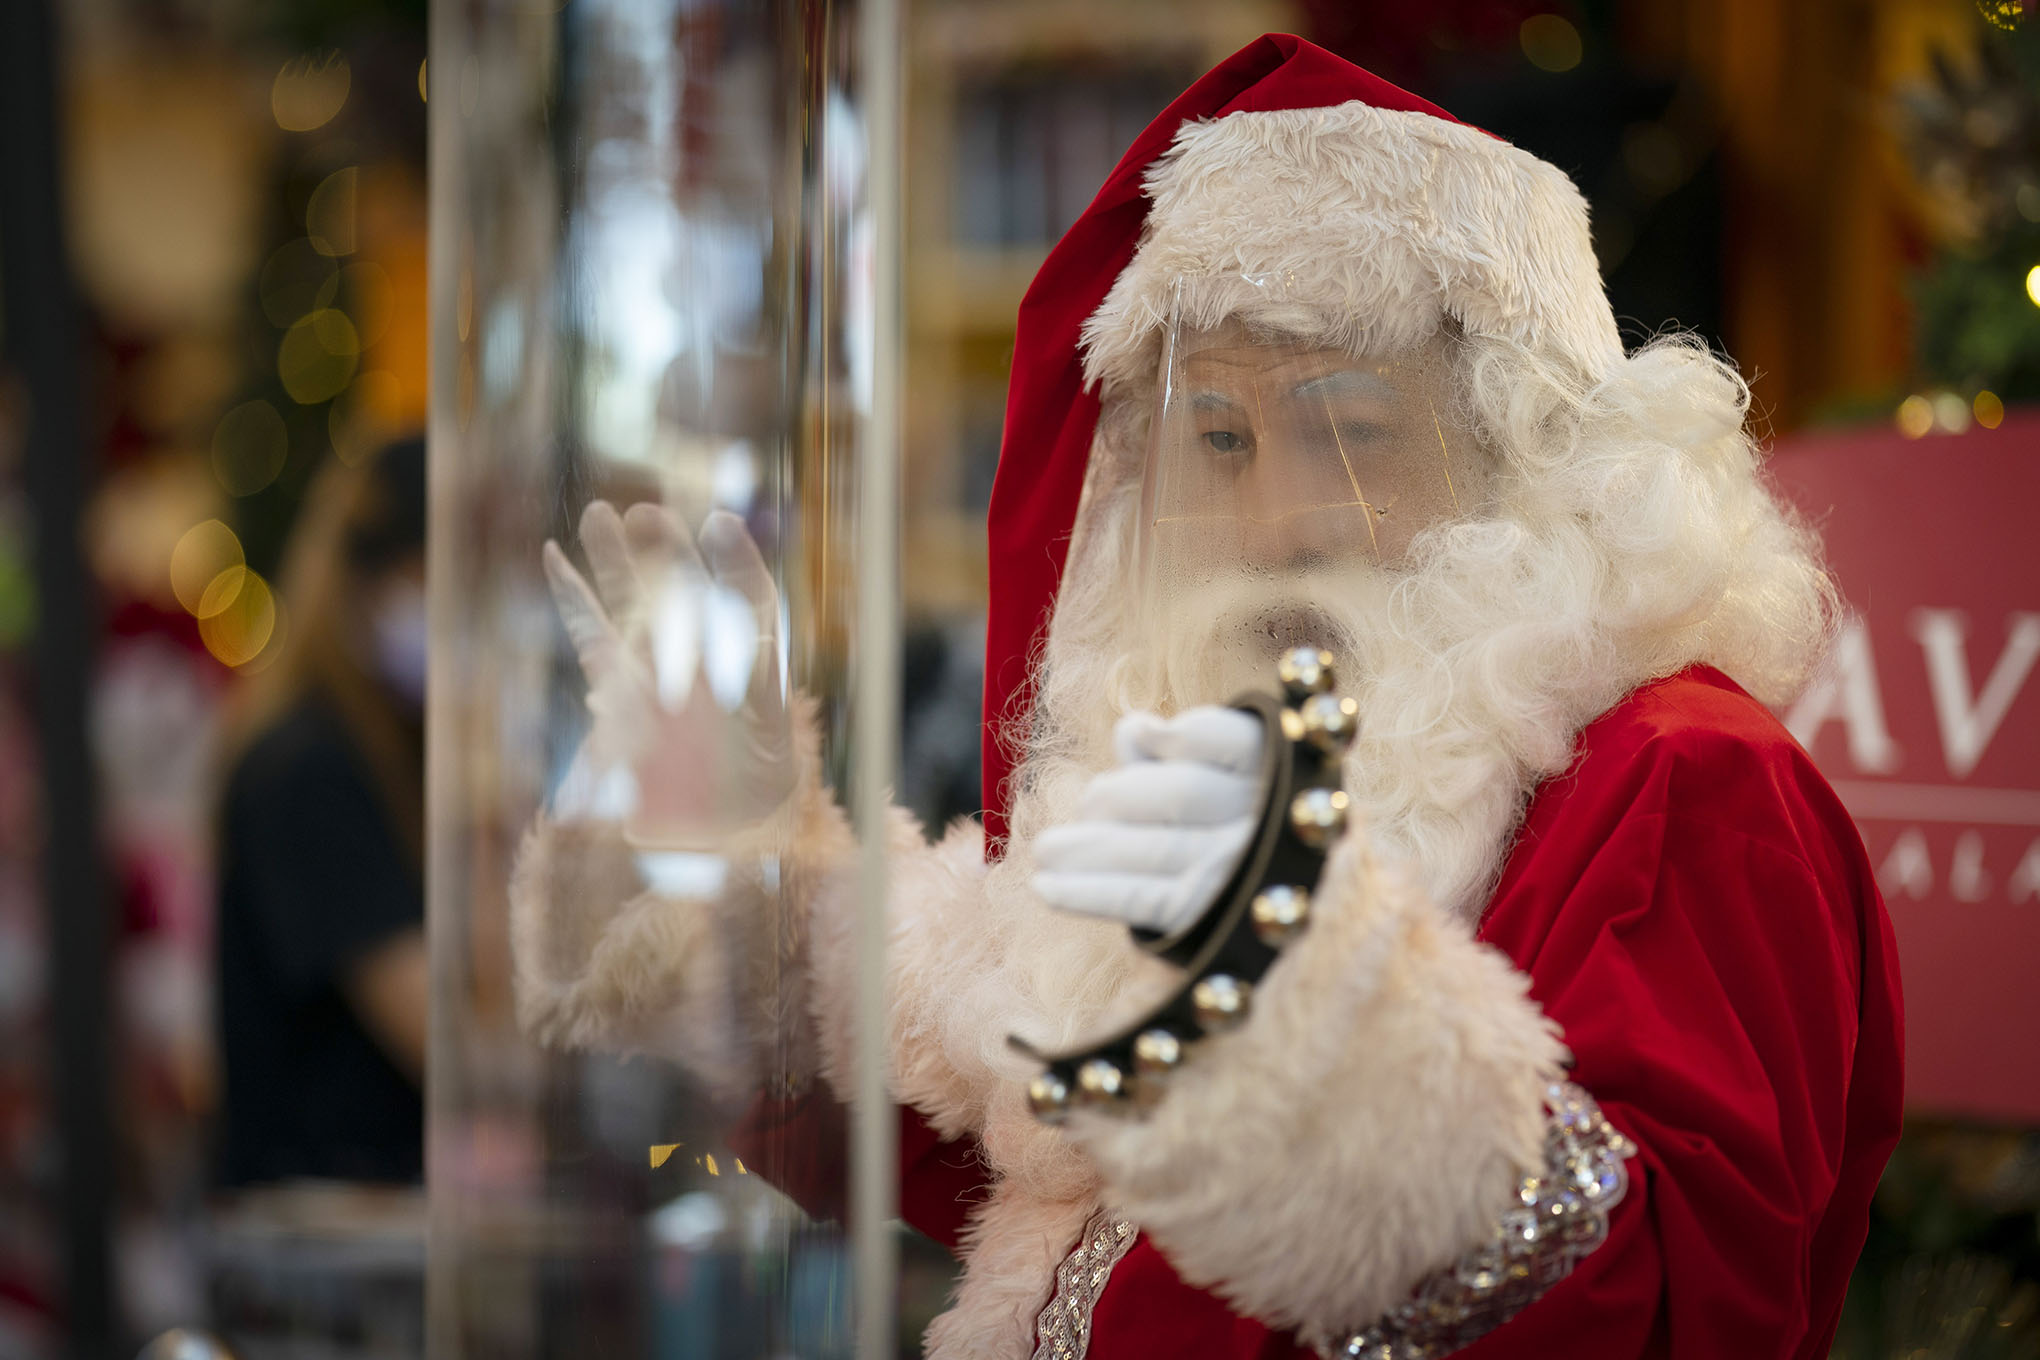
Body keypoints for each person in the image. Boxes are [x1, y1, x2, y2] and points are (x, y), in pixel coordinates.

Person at [510, 36, 1902, 1360]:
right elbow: (1001, 1146)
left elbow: (1665, 1316)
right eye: (1220, 439)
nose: (1284, 518)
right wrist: (737, 874)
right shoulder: (1262, 754)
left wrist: (1317, 1004)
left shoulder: (1689, 784)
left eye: (1352, 433)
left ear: (1524, 449)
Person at [215, 437, 428, 1187]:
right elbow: (441, 1033)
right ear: (365, 582)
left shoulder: (394, 751)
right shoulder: (307, 769)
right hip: (318, 1250)